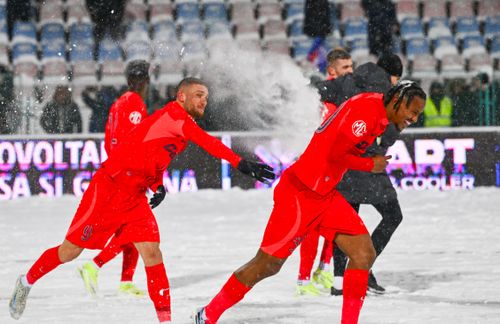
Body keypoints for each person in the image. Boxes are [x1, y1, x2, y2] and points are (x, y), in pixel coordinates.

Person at [9, 77, 275, 323]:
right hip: (109, 189)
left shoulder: (177, 124)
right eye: (198, 95)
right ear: (181, 96)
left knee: (152, 252)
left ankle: (165, 321)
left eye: (205, 96)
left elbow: (153, 155)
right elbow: (207, 142)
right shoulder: (175, 115)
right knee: (70, 251)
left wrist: (157, 185)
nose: (203, 100)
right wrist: (241, 163)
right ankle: (26, 282)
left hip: (135, 196)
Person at [193, 81, 427, 324]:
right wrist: (371, 164)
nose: (415, 117)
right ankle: (208, 314)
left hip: (324, 195)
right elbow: (335, 154)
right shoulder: (367, 113)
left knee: (363, 253)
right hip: (299, 194)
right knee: (267, 265)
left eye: (418, 114)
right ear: (397, 100)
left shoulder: (376, 108)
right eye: (413, 111)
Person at [319, 53, 405, 295]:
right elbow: (387, 135)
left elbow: (318, 91)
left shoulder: (349, 80)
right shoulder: (389, 93)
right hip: (367, 165)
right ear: (394, 75)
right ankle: (363, 270)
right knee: (393, 216)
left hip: (341, 164)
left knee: (345, 222)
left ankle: (338, 284)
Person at [77, 60, 150, 298]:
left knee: (132, 228)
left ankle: (126, 281)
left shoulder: (118, 103)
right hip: (128, 177)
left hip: (119, 173)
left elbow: (111, 140)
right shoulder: (135, 104)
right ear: (143, 82)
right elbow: (134, 143)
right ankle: (95, 265)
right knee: (139, 229)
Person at [296, 48, 353, 296]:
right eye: (345, 69)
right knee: (311, 227)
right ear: (332, 71)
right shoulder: (324, 97)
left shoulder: (344, 95)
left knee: (332, 226)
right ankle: (303, 281)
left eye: (352, 67)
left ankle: (323, 271)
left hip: (335, 169)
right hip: (316, 171)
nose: (351, 72)